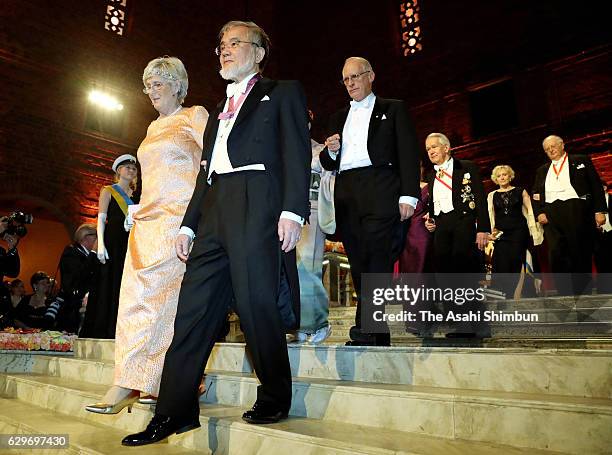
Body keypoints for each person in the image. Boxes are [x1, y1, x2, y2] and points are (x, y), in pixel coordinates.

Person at [122, 21, 310, 446]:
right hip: (214, 211)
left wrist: (293, 212)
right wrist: (189, 223)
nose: (225, 51)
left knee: (256, 305)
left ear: (259, 52)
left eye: (235, 43)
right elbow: (205, 175)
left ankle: (276, 394)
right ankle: (174, 411)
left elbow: (297, 152)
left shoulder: (282, 92)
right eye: (221, 45)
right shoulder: (217, 110)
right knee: (191, 312)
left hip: (258, 201)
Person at [85, 56, 208, 415]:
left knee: (162, 302)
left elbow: (211, 166)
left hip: (178, 220)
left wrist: (199, 219)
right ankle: (146, 381)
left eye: (158, 83)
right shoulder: (152, 127)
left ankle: (134, 383)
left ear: (177, 85)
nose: (151, 91)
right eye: (148, 85)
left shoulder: (194, 115)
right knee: (135, 300)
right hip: (146, 222)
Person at [318, 57, 420, 346]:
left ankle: (370, 325)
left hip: (381, 186)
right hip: (348, 191)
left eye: (355, 77)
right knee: (359, 258)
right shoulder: (337, 117)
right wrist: (332, 151)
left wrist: (408, 194)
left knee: (377, 256)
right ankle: (374, 327)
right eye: (345, 79)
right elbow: (327, 162)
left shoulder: (393, 108)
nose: (350, 83)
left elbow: (408, 153)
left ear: (371, 76)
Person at [424, 133, 490, 337]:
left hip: (464, 222)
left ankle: (474, 325)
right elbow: (434, 203)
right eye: (428, 149)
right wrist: (431, 221)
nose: (431, 151)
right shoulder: (431, 175)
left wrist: (483, 229)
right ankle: (457, 323)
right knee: (444, 275)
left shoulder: (467, 166)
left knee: (464, 273)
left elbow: (479, 197)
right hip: (442, 227)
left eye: (434, 146)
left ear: (447, 148)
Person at [532, 135, 607, 295]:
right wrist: (539, 212)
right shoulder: (542, 170)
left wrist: (600, 210)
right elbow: (536, 194)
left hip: (576, 208)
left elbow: (595, 185)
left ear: (562, 145)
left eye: (553, 146)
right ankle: (563, 291)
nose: (551, 150)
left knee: (579, 249)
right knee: (556, 251)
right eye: (547, 149)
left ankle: (583, 291)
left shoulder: (581, 160)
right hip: (551, 212)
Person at [80, 154, 138, 339]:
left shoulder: (137, 196)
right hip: (112, 242)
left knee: (123, 285)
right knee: (107, 283)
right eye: (127, 167)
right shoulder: (109, 191)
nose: (131, 170)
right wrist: (101, 244)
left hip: (128, 243)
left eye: (134, 168)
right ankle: (102, 329)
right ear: (118, 171)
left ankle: (120, 329)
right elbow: (101, 219)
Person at [289, 110, 334, 344]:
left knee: (309, 267)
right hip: (284, 214)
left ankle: (316, 323)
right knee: (288, 271)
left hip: (311, 210)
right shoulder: (282, 148)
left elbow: (326, 167)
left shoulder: (317, 150)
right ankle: (293, 322)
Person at [487, 165, 543, 298]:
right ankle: (504, 294)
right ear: (496, 179)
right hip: (501, 234)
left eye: (504, 175)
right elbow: (490, 215)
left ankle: (520, 294)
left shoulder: (520, 191)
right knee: (501, 262)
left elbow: (530, 210)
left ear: (510, 176)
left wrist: (534, 230)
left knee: (516, 260)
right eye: (499, 176)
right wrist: (491, 233)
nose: (502, 177)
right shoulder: (491, 195)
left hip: (519, 231)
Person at [56, 223, 99, 334]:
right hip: (73, 309)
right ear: (85, 237)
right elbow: (79, 275)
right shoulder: (71, 252)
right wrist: (94, 253)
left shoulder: (87, 255)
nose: (99, 239)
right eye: (96, 235)